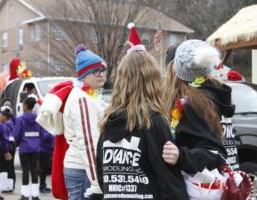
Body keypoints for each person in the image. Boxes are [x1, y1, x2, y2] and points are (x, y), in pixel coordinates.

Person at [96, 23, 189, 200]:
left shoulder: (106, 124)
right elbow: (169, 182)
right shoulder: (153, 123)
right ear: (151, 81)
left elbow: (101, 176)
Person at [37, 44, 106, 200]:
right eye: (96, 71)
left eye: (103, 70)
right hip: (83, 170)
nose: (101, 74)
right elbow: (88, 143)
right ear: (84, 75)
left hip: (82, 169)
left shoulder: (85, 95)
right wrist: (97, 183)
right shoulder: (82, 99)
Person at [162, 39, 231, 174]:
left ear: (176, 70)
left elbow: (215, 153)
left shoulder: (194, 103)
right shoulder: (210, 95)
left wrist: (181, 156)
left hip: (193, 190)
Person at [14, 95, 46, 200]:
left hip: (24, 148)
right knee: (34, 171)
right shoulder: (38, 118)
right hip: (35, 148)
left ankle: (25, 195)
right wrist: (37, 143)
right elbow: (42, 134)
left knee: (25, 171)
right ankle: (35, 195)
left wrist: (17, 144)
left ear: (26, 106)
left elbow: (16, 135)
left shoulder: (20, 119)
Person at [0, 106, 16, 192]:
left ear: (5, 117)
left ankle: (4, 187)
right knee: (10, 166)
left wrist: (6, 151)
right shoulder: (12, 123)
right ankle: (10, 186)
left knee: (4, 166)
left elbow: (4, 139)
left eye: (1, 115)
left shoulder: (4, 126)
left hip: (7, 145)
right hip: (12, 145)